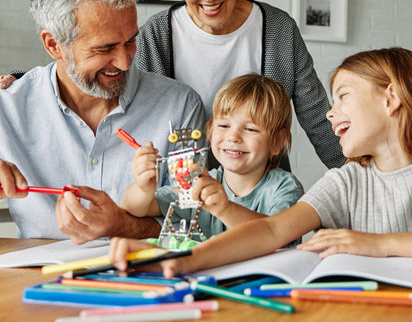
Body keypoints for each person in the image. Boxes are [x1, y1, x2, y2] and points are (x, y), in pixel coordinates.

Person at [0, 0, 345, 173]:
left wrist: (362, 179)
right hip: (185, 193)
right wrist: (17, 80)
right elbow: (98, 63)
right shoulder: (159, 31)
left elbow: (316, 117)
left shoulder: (277, 30)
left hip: (262, 187)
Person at [109, 47, 412, 275]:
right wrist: (180, 259)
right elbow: (271, 230)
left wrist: (379, 245)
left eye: (342, 95)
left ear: (391, 99)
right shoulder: (347, 180)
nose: (329, 113)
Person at [0, 0, 207, 246]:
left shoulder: (179, 107)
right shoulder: (0, 110)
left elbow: (197, 229)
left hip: (148, 283)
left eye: (130, 41)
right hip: (34, 288)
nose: (125, 62)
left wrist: (122, 226)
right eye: (104, 49)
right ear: (54, 45)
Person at [121, 74, 304, 240]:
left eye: (250, 129)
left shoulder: (285, 188)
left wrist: (225, 209)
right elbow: (133, 209)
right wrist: (143, 188)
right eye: (224, 126)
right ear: (209, 131)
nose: (233, 137)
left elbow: (276, 235)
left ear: (277, 142)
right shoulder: (202, 184)